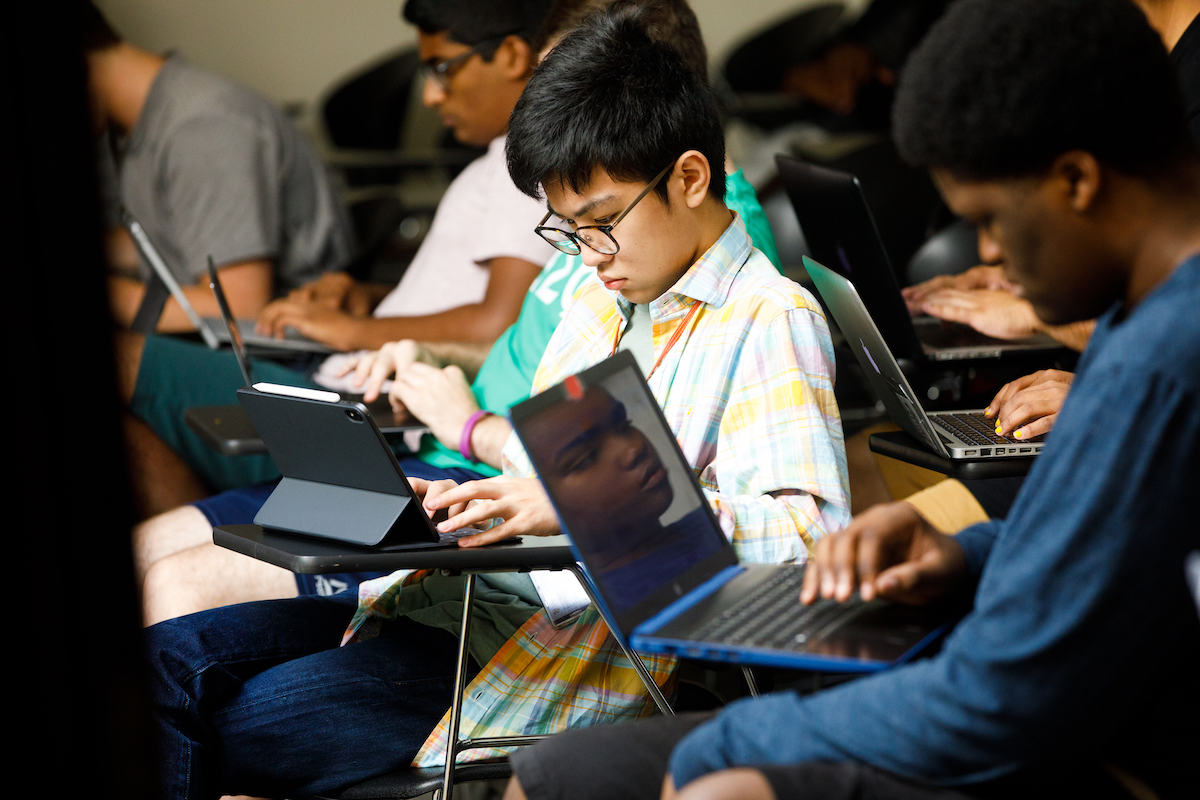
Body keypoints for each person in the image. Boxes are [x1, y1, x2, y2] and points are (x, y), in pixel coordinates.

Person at [142, 8, 850, 798]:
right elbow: (553, 470)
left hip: (556, 651)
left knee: (215, 730)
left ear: (689, 177)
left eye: (603, 222)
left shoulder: (769, 318)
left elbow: (810, 547)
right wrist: (466, 502)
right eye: (569, 230)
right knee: (160, 659)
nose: (590, 255)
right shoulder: (598, 290)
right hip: (458, 598)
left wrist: (581, 502)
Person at [500, 1, 1200, 799]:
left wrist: (733, 741)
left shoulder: (1161, 368)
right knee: (555, 776)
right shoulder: (1138, 320)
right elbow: (1104, 543)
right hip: (1035, 697)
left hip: (1100, 750)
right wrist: (963, 554)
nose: (994, 257)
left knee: (720, 786)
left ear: (1077, 179)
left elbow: (1003, 700)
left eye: (990, 222)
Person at [133, 0, 785, 625]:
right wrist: (432, 360)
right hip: (453, 464)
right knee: (154, 555)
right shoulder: (603, 252)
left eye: (559, 88)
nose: (538, 111)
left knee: (177, 585)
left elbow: (640, 471)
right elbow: (548, 379)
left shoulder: (693, 266)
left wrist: (474, 430)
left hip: (479, 483)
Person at [117, 0, 559, 516]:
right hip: (348, 376)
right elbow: (459, 287)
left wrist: (347, 331)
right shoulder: (493, 162)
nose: (431, 95)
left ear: (511, 56)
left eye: (442, 69)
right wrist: (368, 299)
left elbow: (496, 320)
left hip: (368, 402)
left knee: (125, 358)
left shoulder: (522, 170)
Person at [85, 1, 354, 330]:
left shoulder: (202, 128)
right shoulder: (142, 123)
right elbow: (177, 236)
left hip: (282, 352)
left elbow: (239, 307)